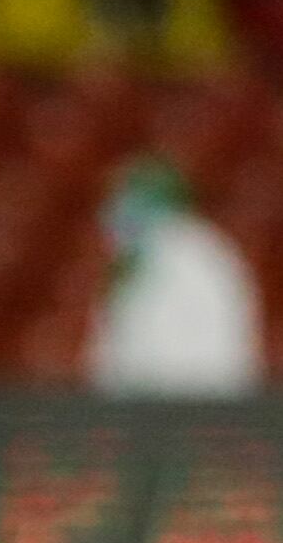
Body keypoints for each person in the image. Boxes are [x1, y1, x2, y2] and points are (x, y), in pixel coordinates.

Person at [87, 158, 259, 399]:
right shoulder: (135, 259)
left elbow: (212, 358)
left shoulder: (200, 258)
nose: (112, 211)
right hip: (136, 410)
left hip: (190, 409)